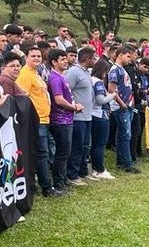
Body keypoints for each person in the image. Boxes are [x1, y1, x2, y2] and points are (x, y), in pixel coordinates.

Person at [17, 45, 60, 196]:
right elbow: (23, 98)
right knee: (42, 154)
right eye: (33, 56)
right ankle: (46, 187)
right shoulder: (25, 74)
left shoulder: (36, 73)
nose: (36, 58)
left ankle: (38, 184)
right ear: (26, 58)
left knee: (43, 153)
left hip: (44, 118)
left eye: (38, 56)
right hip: (36, 120)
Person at [46, 48, 80, 191]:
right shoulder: (55, 78)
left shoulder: (61, 76)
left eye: (66, 58)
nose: (66, 61)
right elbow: (59, 100)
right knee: (62, 152)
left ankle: (63, 179)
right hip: (60, 120)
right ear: (54, 62)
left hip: (66, 119)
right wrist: (74, 107)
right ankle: (58, 182)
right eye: (62, 59)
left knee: (65, 152)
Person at [65, 46, 95, 184]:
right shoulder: (73, 72)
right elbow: (66, 91)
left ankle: (83, 172)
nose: (95, 60)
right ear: (87, 59)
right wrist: (73, 105)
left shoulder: (86, 72)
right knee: (77, 147)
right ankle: (72, 174)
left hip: (87, 115)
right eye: (93, 58)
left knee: (85, 146)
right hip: (77, 117)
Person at [108, 46, 140, 174]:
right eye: (128, 56)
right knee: (125, 135)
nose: (129, 59)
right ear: (120, 55)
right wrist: (122, 104)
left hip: (128, 105)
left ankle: (122, 161)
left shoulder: (122, 70)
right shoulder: (115, 70)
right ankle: (126, 163)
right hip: (121, 107)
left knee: (124, 135)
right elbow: (111, 89)